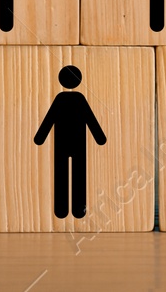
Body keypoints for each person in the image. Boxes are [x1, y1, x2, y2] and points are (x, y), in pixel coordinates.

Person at [33, 65, 107, 219]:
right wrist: (100, 137)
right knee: (79, 174)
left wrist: (40, 137)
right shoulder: (79, 99)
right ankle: (79, 209)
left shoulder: (60, 99)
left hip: (61, 143)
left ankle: (61, 209)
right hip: (78, 143)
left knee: (61, 174)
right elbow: (90, 119)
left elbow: (49, 119)